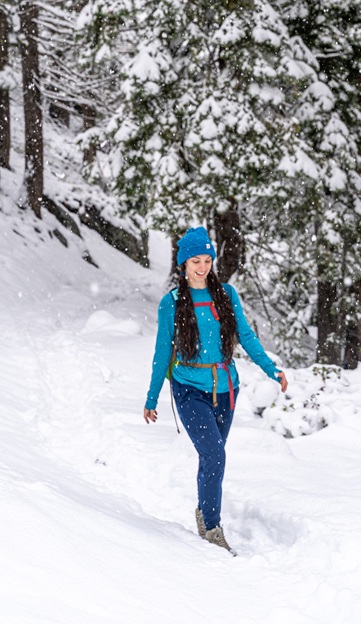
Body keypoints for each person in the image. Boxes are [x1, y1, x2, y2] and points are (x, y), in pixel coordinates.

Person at [143, 226, 288, 555]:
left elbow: (246, 337)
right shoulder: (173, 303)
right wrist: (152, 399)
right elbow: (162, 352)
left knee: (211, 458)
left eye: (207, 260)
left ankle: (203, 511)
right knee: (214, 455)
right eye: (196, 260)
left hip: (226, 389)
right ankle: (212, 527)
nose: (202, 267)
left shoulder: (226, 295)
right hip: (189, 389)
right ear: (183, 263)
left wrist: (271, 368)